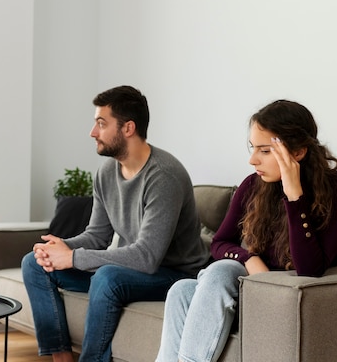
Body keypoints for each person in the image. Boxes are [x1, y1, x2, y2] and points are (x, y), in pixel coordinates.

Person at [155, 99, 337, 362]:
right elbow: (219, 243)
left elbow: (310, 268)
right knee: (181, 290)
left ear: (297, 152)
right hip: (255, 288)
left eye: (264, 151)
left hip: (292, 294)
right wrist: (249, 259)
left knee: (220, 270)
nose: (252, 160)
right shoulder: (253, 185)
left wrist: (294, 196)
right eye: (254, 148)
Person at [22, 85, 210, 362]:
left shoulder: (164, 176)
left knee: (108, 276)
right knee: (33, 263)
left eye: (101, 123)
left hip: (175, 274)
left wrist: (73, 257)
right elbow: (97, 235)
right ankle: (61, 357)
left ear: (128, 128)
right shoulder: (107, 171)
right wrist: (62, 247)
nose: (93, 132)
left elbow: (147, 257)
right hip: (134, 269)